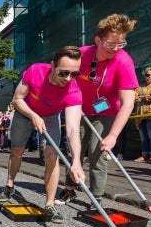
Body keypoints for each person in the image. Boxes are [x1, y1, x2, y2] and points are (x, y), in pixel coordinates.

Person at [55, 13, 138, 209]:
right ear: (98, 40)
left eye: (121, 44)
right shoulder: (83, 54)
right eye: (111, 44)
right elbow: (65, 78)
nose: (116, 49)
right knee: (75, 149)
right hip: (80, 109)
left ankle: (96, 197)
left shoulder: (124, 62)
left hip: (106, 111)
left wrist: (113, 135)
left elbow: (128, 103)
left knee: (97, 151)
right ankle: (69, 188)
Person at [0, 46, 85, 223]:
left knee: (53, 155)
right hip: (24, 112)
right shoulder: (36, 71)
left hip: (51, 116)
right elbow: (17, 99)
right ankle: (10, 184)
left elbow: (73, 129)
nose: (68, 79)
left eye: (74, 74)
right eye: (64, 73)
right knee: (17, 151)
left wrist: (76, 162)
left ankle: (49, 203)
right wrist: (33, 115)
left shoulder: (73, 90)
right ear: (52, 66)